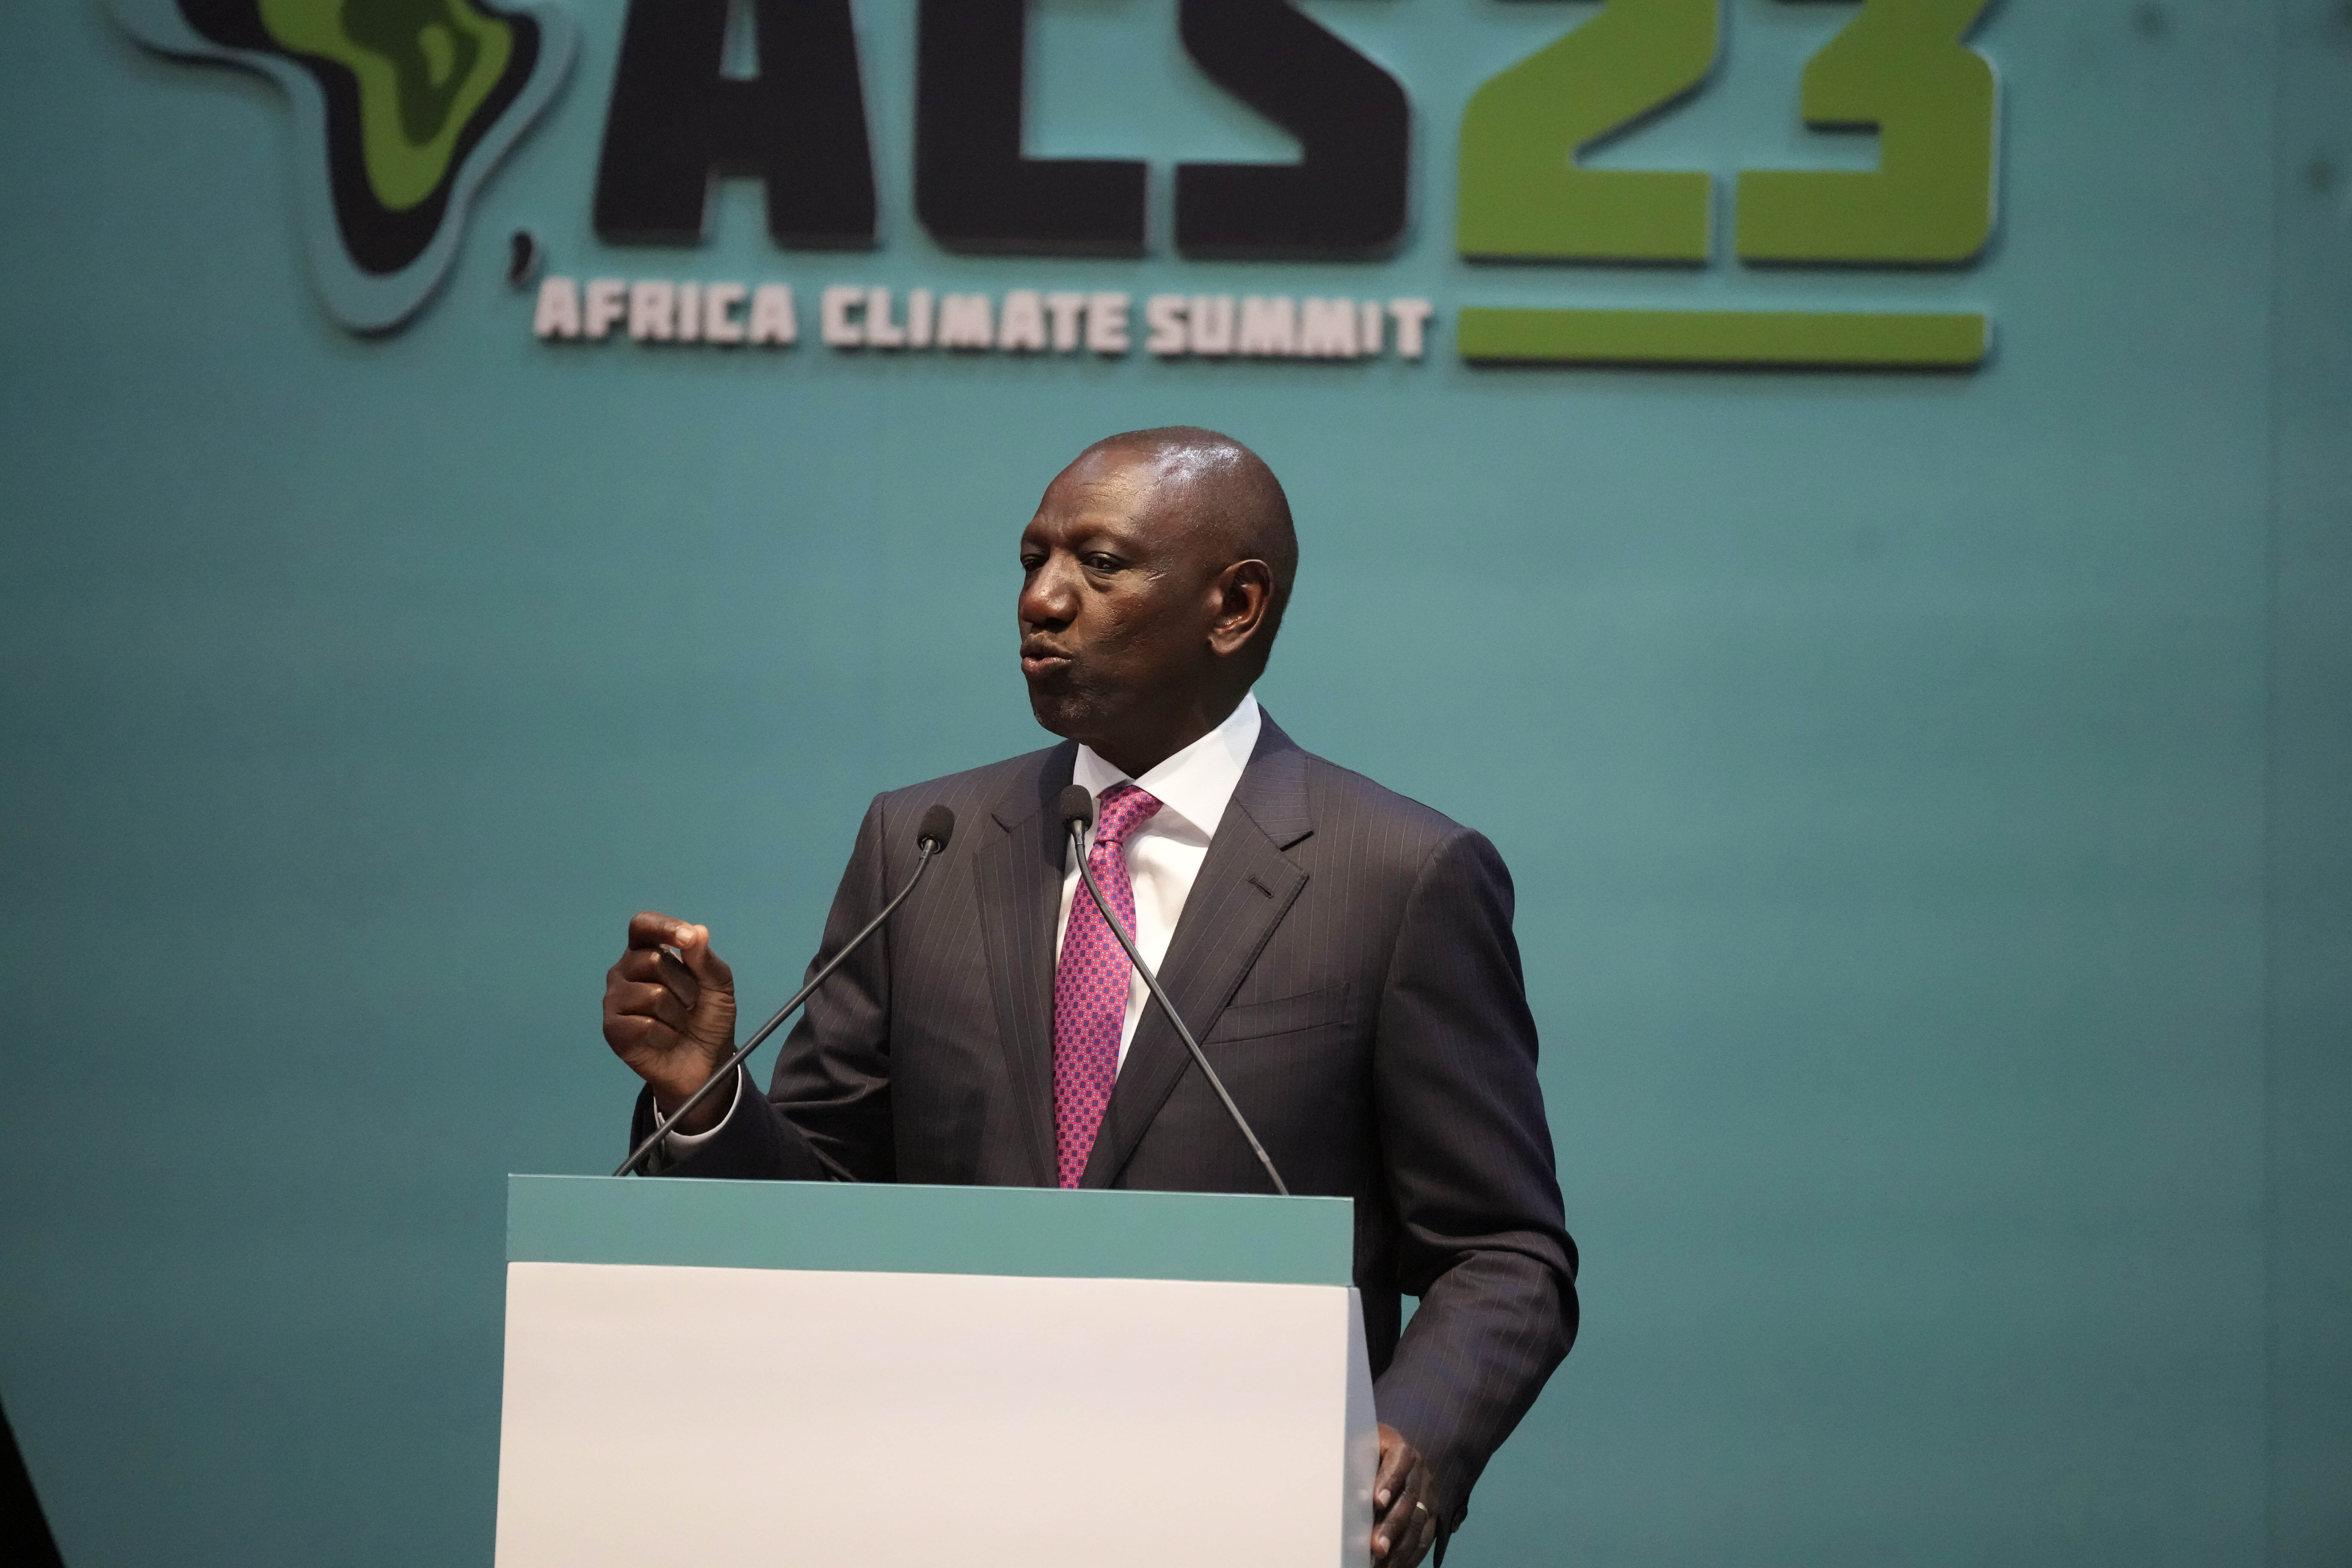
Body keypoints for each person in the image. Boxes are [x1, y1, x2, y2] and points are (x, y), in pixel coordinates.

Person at [602, 427, 1576, 1567]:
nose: (1043, 601)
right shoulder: (923, 849)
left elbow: (1503, 1248)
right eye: (1031, 561)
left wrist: (1415, 1434)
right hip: (931, 1508)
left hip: (1242, 1513)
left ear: (1235, 606)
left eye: (1098, 565)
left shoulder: (1398, 877)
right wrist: (708, 1097)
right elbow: (820, 1208)